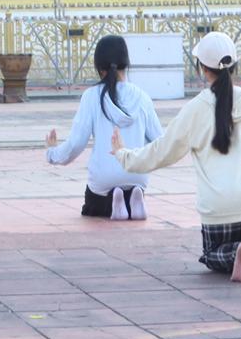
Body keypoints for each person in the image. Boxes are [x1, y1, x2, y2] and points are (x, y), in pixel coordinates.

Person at [116, 31, 241, 282]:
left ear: (202, 69)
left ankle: (235, 257)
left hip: (221, 209)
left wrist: (123, 155)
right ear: (235, 66)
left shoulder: (196, 109)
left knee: (211, 253)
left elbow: (162, 152)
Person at [45, 34, 163, 219]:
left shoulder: (91, 96)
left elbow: (77, 143)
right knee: (132, 182)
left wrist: (53, 153)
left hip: (104, 180)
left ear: (99, 67)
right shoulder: (142, 97)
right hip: (137, 174)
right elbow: (159, 141)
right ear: (126, 63)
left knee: (91, 203)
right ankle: (134, 199)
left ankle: (113, 203)